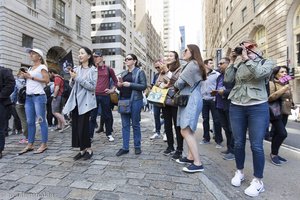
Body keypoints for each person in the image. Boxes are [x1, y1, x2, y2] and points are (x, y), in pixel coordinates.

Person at [224, 39, 274, 197]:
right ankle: (239, 171)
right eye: (243, 47)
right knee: (238, 142)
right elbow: (228, 81)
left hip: (257, 106)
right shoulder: (238, 64)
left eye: (250, 46)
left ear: (256, 47)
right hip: (237, 105)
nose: (246, 49)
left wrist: (247, 58)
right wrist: (232, 61)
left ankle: (258, 181)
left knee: (256, 145)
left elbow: (260, 75)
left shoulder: (267, 62)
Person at [174, 44, 206, 173]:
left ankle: (198, 163)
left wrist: (175, 82)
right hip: (190, 97)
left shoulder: (192, 64)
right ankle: (190, 156)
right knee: (188, 130)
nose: (183, 51)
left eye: (186, 50)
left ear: (193, 52)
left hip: (191, 98)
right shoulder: (193, 64)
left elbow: (179, 83)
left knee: (185, 130)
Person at [63, 47, 97, 160]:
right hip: (75, 101)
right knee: (76, 126)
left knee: (84, 126)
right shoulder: (76, 69)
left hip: (86, 102)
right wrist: (72, 79)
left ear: (89, 56)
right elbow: (72, 86)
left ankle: (89, 149)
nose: (79, 55)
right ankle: (82, 150)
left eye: (82, 53)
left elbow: (92, 87)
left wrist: (77, 78)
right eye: (79, 53)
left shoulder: (93, 70)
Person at [19, 48, 50, 155]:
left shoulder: (42, 67)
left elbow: (47, 80)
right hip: (29, 98)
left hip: (38, 97)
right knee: (30, 122)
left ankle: (44, 144)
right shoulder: (31, 68)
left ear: (39, 56)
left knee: (41, 121)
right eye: (30, 54)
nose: (31, 55)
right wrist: (25, 77)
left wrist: (31, 77)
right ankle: (30, 144)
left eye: (33, 53)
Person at [116, 54, 147, 156]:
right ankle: (125, 147)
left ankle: (137, 146)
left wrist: (130, 84)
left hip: (135, 101)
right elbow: (120, 88)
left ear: (134, 61)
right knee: (125, 125)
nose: (126, 60)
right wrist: (119, 85)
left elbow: (143, 86)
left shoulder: (139, 72)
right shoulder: (124, 73)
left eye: (129, 59)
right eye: (125, 59)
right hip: (123, 100)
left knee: (135, 124)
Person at [156, 51, 184, 160]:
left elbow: (178, 81)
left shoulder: (180, 69)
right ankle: (170, 146)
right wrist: (163, 84)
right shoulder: (163, 70)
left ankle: (179, 149)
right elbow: (158, 82)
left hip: (175, 100)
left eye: (171, 56)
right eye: (167, 55)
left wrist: (167, 72)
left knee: (177, 126)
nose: (168, 57)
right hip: (165, 100)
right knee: (167, 125)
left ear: (176, 58)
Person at [268, 66, 295, 165]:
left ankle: (275, 153)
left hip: (285, 112)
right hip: (275, 112)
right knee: (283, 133)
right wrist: (284, 88)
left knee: (277, 134)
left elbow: (288, 97)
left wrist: (292, 104)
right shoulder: (272, 83)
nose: (285, 73)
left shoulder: (285, 83)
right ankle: (273, 154)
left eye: (286, 72)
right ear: (275, 74)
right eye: (282, 72)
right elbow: (270, 98)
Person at [89, 51, 118, 142]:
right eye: (93, 57)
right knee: (92, 116)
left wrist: (112, 90)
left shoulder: (109, 69)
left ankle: (109, 134)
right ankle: (90, 136)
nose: (94, 58)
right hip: (94, 96)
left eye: (96, 56)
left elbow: (116, 81)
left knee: (107, 115)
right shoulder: (92, 69)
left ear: (101, 57)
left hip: (105, 96)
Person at [211, 57, 235, 160]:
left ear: (228, 63)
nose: (219, 65)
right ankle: (229, 149)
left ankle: (233, 151)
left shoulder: (233, 75)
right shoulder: (219, 76)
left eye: (221, 63)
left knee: (231, 129)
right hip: (220, 105)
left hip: (229, 105)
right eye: (219, 63)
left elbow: (235, 89)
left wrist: (223, 92)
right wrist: (215, 92)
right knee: (225, 128)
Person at [200, 59, 223, 148]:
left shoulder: (216, 74)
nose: (212, 65)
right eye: (210, 63)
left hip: (213, 99)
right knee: (205, 119)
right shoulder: (201, 75)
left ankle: (218, 140)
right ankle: (206, 138)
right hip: (204, 99)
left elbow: (221, 85)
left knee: (216, 120)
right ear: (205, 65)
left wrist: (216, 94)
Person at [0, 66, 15, 158]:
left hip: (2, 103)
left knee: (0, 128)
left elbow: (10, 85)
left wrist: (1, 96)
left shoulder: (4, 71)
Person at [11, 68, 28, 143]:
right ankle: (30, 136)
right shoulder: (29, 81)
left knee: (23, 120)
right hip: (28, 102)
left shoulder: (16, 82)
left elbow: (14, 94)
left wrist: (13, 102)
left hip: (19, 103)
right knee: (29, 119)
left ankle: (27, 137)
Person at [150, 60, 165, 140]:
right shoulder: (156, 75)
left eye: (158, 67)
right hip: (157, 97)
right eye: (155, 67)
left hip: (166, 98)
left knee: (166, 116)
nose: (157, 69)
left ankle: (166, 133)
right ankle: (157, 132)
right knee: (156, 115)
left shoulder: (168, 73)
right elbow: (153, 85)